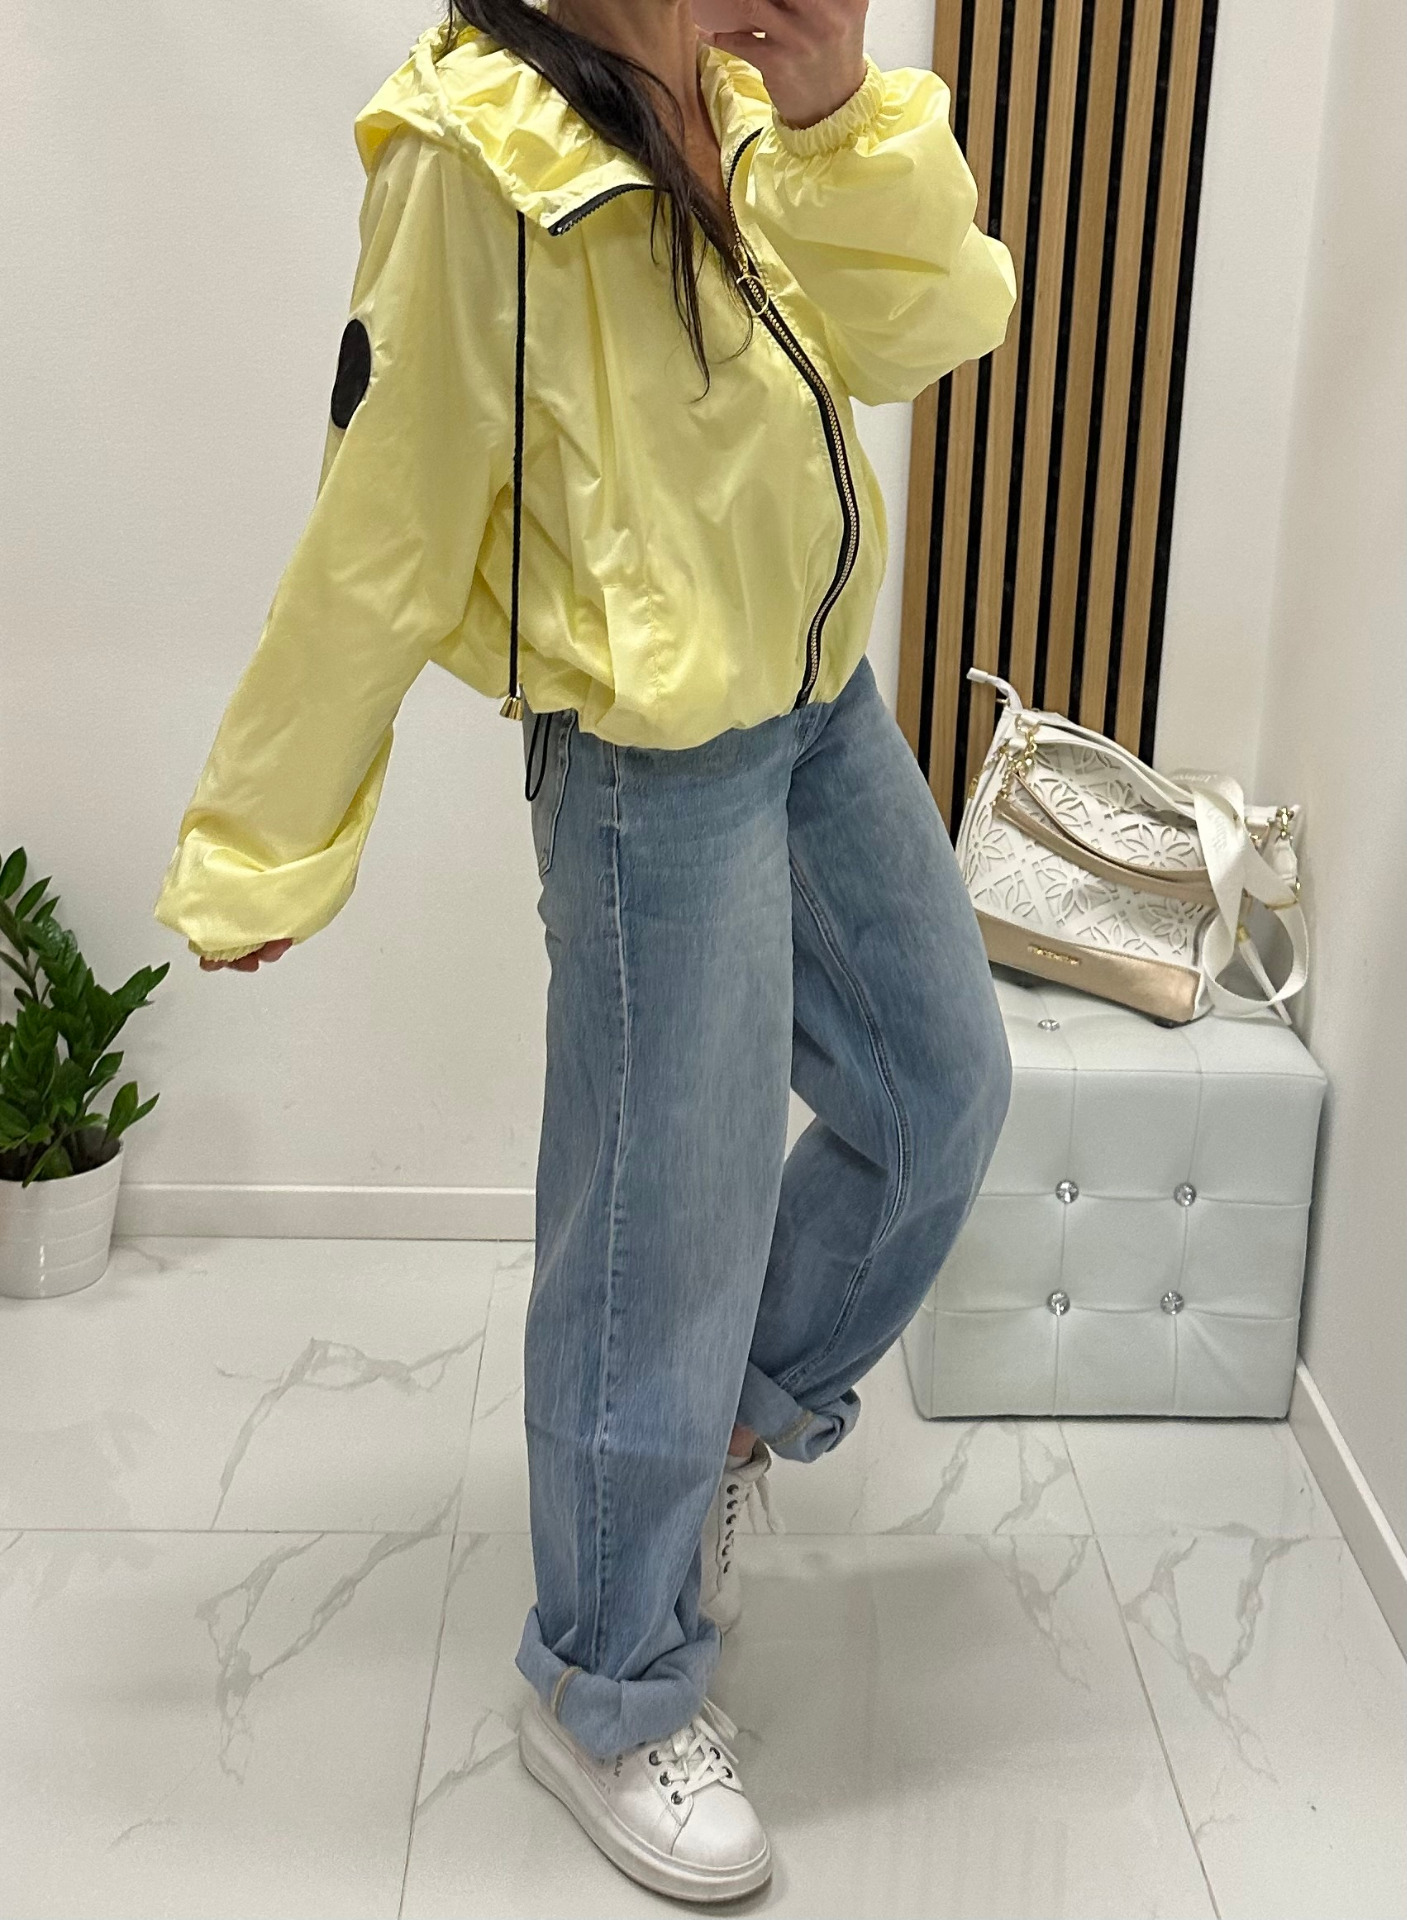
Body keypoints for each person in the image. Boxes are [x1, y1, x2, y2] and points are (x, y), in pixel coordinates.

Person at [153, 0, 1016, 1900]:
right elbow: (383, 517)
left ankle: (713, 1443)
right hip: (647, 771)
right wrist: (265, 841)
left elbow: (930, 326)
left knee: (943, 1092)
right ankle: (605, 1689)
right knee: (656, 1239)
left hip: (820, 704)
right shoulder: (475, 154)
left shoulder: (745, 82)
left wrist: (841, 113)